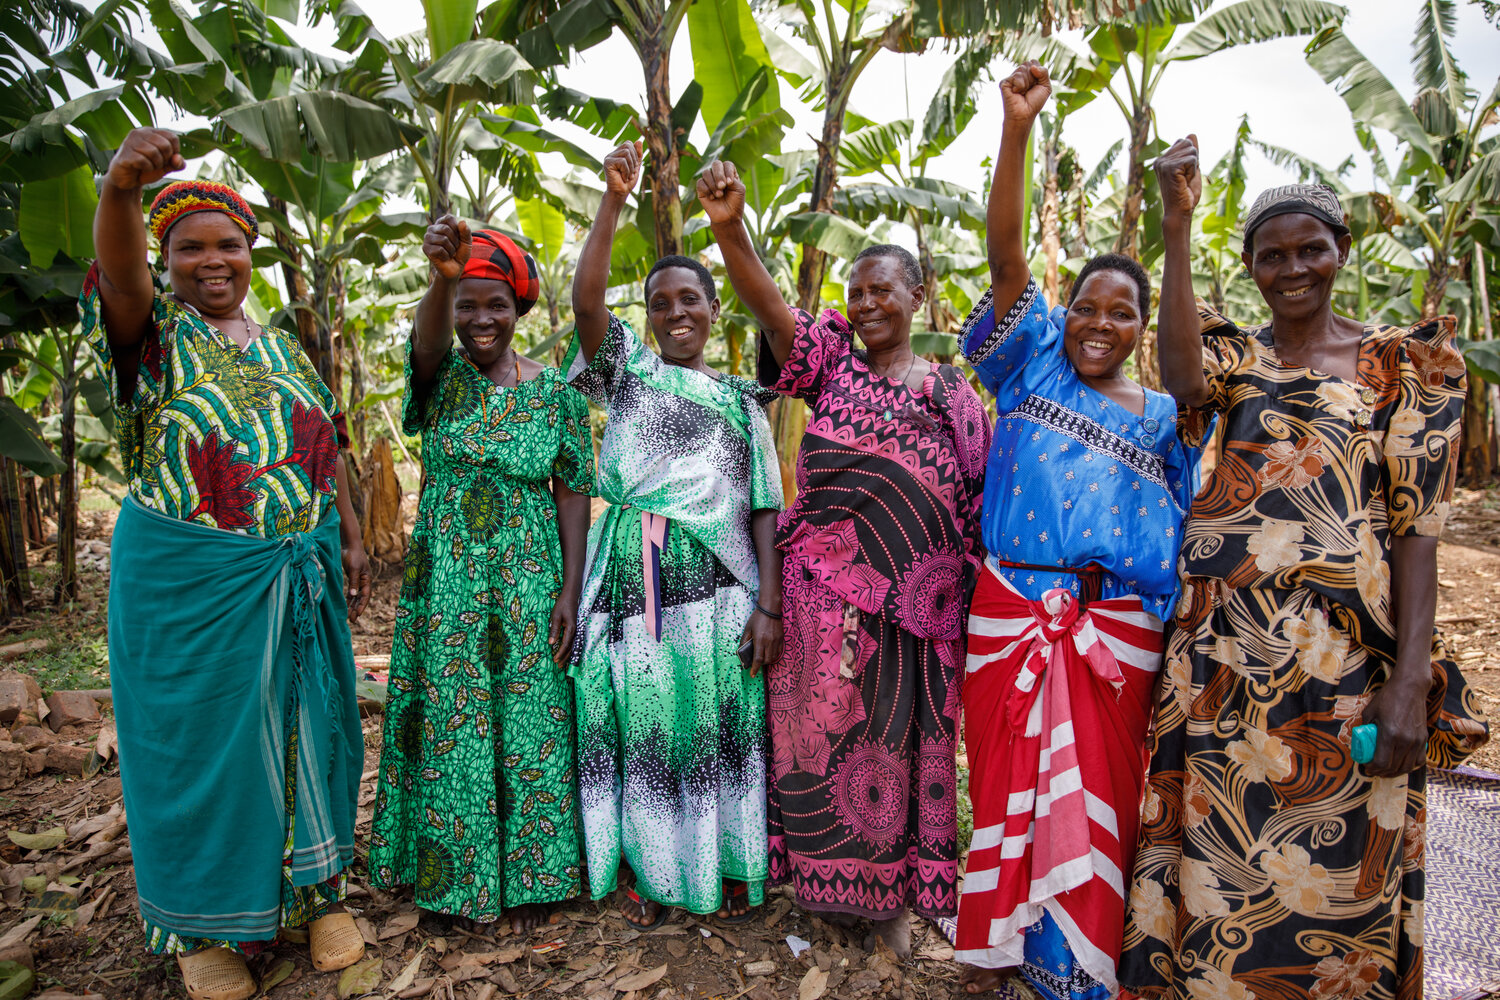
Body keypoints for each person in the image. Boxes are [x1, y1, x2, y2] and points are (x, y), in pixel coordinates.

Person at [1118, 138, 1490, 1000]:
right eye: (1271, 256)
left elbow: (1418, 534)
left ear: (1341, 251)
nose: (1293, 269)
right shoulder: (1234, 357)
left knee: (1344, 863)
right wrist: (1176, 222)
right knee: (1219, 864)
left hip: (1345, 664)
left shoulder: (1402, 366)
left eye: (1310, 249)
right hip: (1224, 663)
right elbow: (1180, 379)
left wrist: (1410, 683)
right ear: (1251, 268)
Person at [86, 129, 371, 1000]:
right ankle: (200, 925)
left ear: (252, 254)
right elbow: (120, 277)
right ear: (164, 260)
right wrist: (121, 188)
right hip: (190, 580)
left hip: (299, 570)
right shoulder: (153, 333)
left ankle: (317, 896)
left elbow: (329, 440)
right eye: (190, 248)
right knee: (197, 745)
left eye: (229, 245)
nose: (213, 261)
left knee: (309, 728)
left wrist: (350, 534)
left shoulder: (283, 344)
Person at [949, 64, 1203, 1000]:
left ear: (1142, 325)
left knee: (1097, 797)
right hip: (1010, 609)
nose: (1100, 323)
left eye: (1120, 312)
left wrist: (1177, 227)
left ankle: (1075, 973)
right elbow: (1006, 261)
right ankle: (998, 949)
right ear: (1063, 320)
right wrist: (1015, 128)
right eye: (1086, 307)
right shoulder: (1032, 371)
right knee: (1005, 790)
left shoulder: (1168, 419)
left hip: (1111, 635)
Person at [699, 157, 991, 959]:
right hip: (817, 604)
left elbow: (975, 509)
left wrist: (957, 608)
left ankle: (890, 906)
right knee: (815, 751)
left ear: (917, 296)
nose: (865, 305)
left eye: (881, 291)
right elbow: (773, 310)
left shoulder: (950, 395)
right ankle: (827, 897)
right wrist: (730, 228)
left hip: (912, 618)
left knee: (893, 753)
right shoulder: (830, 365)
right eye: (856, 293)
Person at [567, 140, 784, 929]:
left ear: (714, 309)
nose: (677, 313)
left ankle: (722, 866)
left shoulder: (742, 400)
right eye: (661, 304)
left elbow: (765, 505)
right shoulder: (628, 372)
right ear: (648, 316)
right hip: (637, 578)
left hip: (723, 588)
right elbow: (586, 305)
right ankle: (654, 873)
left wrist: (770, 605)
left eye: (691, 299)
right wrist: (612, 200)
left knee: (719, 727)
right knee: (646, 724)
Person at [367, 220, 595, 934]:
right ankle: (452, 884)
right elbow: (426, 339)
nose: (481, 319)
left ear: (518, 307)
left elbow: (573, 491)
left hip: (531, 576)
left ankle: (535, 880)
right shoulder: (438, 376)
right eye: (467, 305)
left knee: (533, 718)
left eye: (495, 304)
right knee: (453, 720)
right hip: (450, 581)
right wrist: (443, 280)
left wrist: (570, 589)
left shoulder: (556, 393)